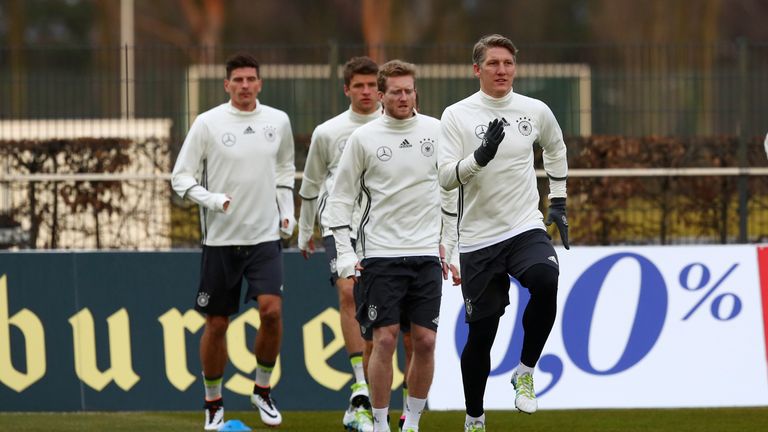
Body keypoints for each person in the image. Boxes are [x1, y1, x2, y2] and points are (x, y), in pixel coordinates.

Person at [436, 34, 569, 432]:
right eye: (493, 64)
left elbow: (556, 147)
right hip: (478, 237)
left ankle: (525, 371)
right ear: (477, 69)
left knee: (546, 278)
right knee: (482, 334)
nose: (501, 70)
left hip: (524, 226)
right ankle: (474, 416)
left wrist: (558, 201)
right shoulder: (457, 116)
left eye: (507, 63)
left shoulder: (535, 110)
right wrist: (479, 158)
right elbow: (445, 178)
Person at [328, 60, 457, 432]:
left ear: (417, 92)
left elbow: (453, 193)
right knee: (383, 340)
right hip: (380, 255)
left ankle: (411, 422)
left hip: (426, 256)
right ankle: (381, 423)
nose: (403, 97)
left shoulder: (437, 131)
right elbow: (340, 200)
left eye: (409, 90)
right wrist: (346, 253)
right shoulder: (364, 139)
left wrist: (452, 246)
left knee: (426, 341)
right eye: (396, 91)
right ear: (382, 95)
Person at [171, 52, 295, 430]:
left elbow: (285, 168)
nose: (244, 86)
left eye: (250, 79)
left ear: (260, 83)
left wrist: (286, 209)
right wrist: (213, 199)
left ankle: (261, 388)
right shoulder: (208, 123)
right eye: (237, 80)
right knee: (218, 324)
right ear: (226, 85)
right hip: (221, 242)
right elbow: (181, 177)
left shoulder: (278, 121)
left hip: (265, 238)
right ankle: (213, 401)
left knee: (272, 312)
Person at [297, 56, 381, 432]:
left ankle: (398, 400)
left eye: (371, 85)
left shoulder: (397, 125)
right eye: (358, 86)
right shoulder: (328, 132)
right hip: (341, 228)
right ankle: (359, 389)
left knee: (385, 316)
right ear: (346, 89)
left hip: (387, 229)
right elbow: (312, 185)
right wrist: (304, 231)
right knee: (349, 294)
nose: (366, 92)